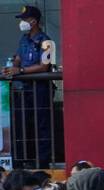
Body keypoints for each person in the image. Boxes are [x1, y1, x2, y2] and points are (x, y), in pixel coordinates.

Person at [3, 6, 52, 167]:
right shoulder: (24, 39)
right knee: (23, 125)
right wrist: (11, 68)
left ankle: (42, 162)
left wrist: (21, 70)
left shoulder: (47, 42)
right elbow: (17, 58)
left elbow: (44, 66)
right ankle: (25, 161)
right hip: (23, 90)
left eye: (25, 19)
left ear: (34, 21)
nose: (22, 23)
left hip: (40, 89)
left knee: (42, 125)